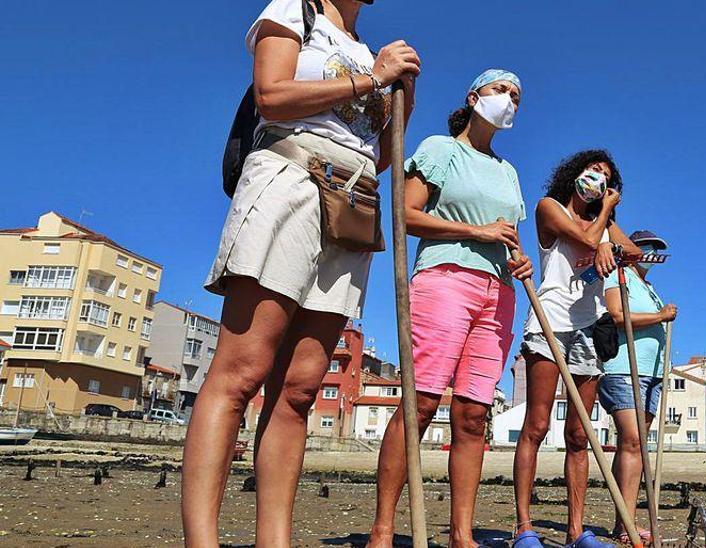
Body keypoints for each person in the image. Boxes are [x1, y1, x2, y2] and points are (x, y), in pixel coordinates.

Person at [183, 1, 419, 545]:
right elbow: (272, 95)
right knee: (241, 371)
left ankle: (275, 540)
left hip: (352, 203)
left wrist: (399, 100)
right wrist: (372, 79)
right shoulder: (296, 9)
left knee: (299, 389)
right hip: (289, 181)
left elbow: (378, 155)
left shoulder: (366, 49)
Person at [367, 69, 528, 548]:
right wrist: (476, 233)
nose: (510, 100)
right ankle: (382, 529)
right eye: (503, 90)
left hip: (499, 293)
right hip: (445, 280)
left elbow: (509, 235)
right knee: (423, 401)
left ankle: (462, 534)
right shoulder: (441, 149)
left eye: (518, 95)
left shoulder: (508, 171)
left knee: (475, 413)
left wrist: (521, 262)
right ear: (476, 96)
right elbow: (406, 213)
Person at [513, 151, 641, 548]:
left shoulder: (602, 225)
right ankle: (524, 526)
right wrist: (602, 231)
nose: (598, 180)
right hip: (550, 320)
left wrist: (611, 246)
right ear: (575, 174)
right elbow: (585, 239)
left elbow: (634, 255)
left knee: (579, 434)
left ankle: (575, 529)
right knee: (536, 425)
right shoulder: (549, 207)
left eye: (606, 177)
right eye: (593, 171)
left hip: (589, 328)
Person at [597, 230, 677, 544]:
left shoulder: (650, 287)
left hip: (653, 372)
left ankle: (626, 519)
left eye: (656, 247)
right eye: (645, 246)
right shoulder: (618, 275)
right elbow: (617, 315)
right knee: (631, 441)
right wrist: (659, 316)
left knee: (638, 447)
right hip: (624, 369)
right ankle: (624, 524)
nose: (651, 251)